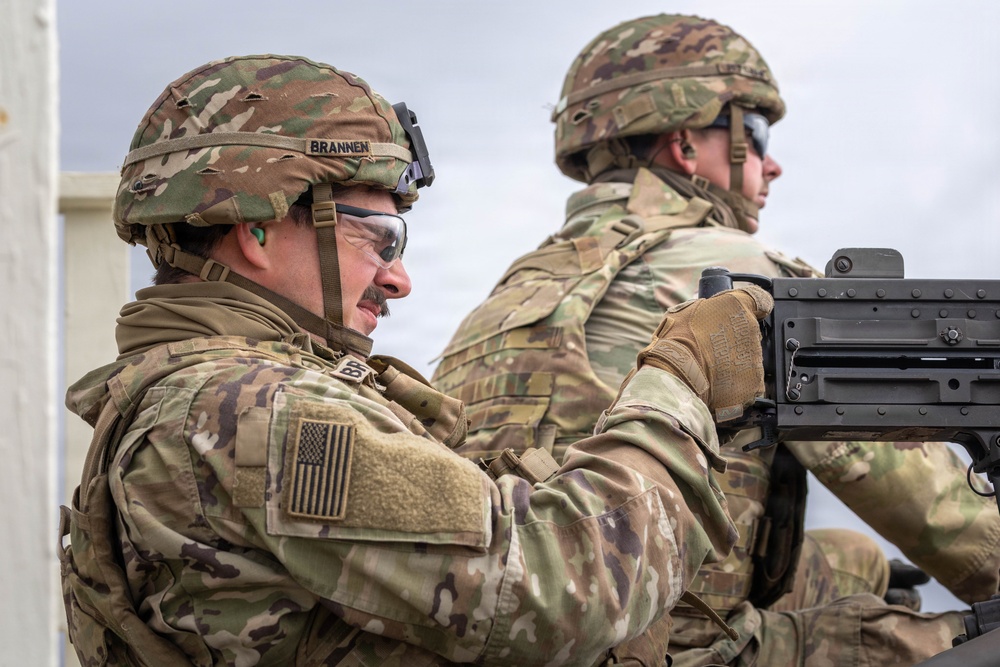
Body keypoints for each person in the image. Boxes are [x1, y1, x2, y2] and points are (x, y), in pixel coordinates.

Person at [57, 53, 774, 666]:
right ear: (258, 231)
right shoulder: (250, 412)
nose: (399, 280)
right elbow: (561, 587)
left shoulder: (205, 398)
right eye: (380, 240)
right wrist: (681, 379)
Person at [432, 14, 1000, 666]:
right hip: (654, 643)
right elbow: (929, 503)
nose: (773, 163)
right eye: (754, 134)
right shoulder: (735, 276)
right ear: (686, 144)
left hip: (505, 621)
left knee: (857, 559)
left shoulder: (511, 292)